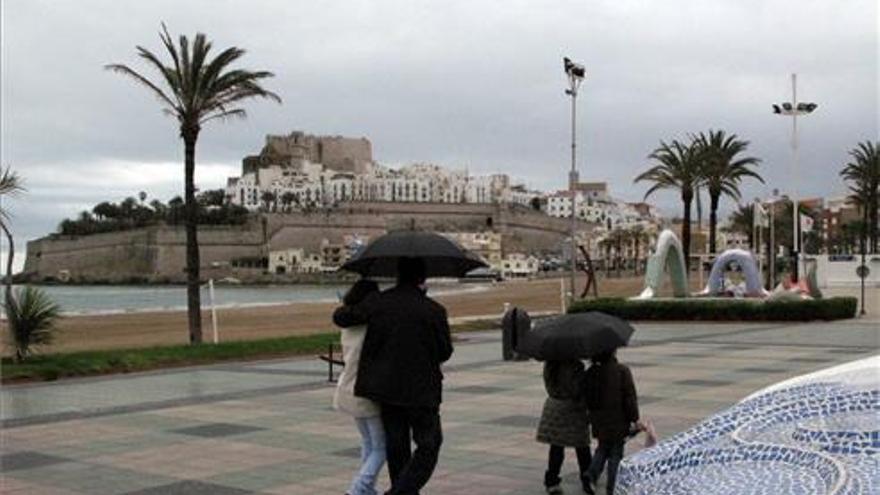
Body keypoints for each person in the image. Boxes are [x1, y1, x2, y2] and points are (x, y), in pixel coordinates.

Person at [333, 257, 453, 495]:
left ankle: (400, 490)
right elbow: (445, 352)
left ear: (397, 275)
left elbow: (342, 318)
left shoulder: (379, 303)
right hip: (422, 391)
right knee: (428, 446)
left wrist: (344, 305)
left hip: (386, 389)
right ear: (422, 278)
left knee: (397, 448)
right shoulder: (435, 310)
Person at [333, 279, 385, 495]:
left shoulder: (348, 322)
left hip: (347, 387)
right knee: (382, 447)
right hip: (367, 392)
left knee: (368, 442)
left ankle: (367, 490)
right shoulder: (371, 326)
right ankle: (358, 488)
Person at [582, 350, 640, 495]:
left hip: (599, 420)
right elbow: (630, 398)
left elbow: (586, 398)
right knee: (616, 453)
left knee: (602, 448)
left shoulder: (591, 372)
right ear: (613, 351)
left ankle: (591, 474)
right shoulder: (622, 371)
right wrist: (634, 418)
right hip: (618, 420)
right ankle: (612, 487)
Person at [536, 359, 592, 494]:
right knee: (582, 446)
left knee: (556, 447)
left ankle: (552, 481)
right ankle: (588, 479)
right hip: (573, 409)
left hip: (554, 407)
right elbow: (576, 390)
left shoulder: (550, 364)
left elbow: (549, 385)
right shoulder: (576, 366)